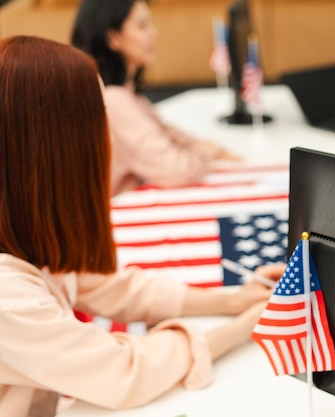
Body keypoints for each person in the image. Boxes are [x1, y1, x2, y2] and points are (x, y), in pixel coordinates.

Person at [0, 36, 283, 416]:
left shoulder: (20, 225)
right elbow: (123, 371)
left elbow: (103, 285)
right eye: (99, 120)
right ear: (55, 146)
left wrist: (234, 299)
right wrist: (245, 325)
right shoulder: (9, 297)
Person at [71, 0, 239, 196]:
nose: (154, 33)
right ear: (113, 38)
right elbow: (177, 170)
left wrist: (206, 148)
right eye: (142, 26)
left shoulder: (129, 95)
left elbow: (169, 135)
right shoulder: (115, 100)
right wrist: (210, 153)